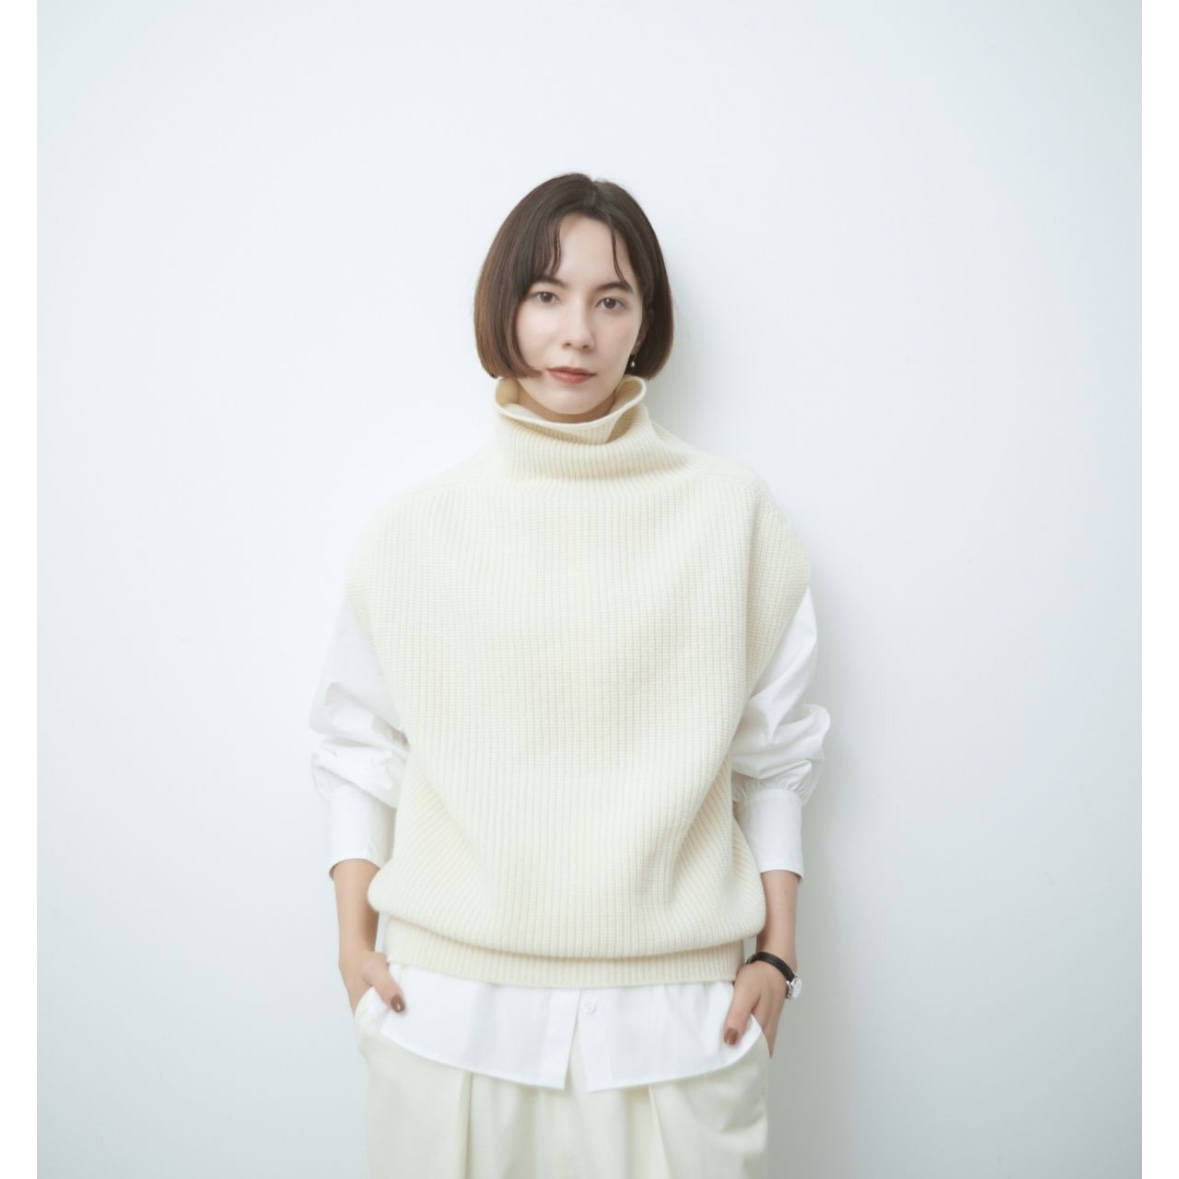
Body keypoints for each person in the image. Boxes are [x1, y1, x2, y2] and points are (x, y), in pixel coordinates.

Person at [309, 173, 830, 1178]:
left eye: (611, 299)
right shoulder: (412, 533)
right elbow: (356, 744)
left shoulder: (735, 520)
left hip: (678, 1025)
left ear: (646, 324)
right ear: (503, 308)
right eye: (546, 294)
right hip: (447, 1017)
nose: (576, 333)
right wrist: (351, 943)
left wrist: (777, 953)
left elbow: (775, 758)